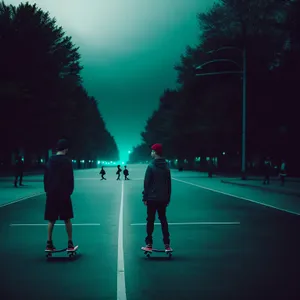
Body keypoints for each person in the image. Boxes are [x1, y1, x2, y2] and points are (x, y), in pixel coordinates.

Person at [44, 139, 75, 251]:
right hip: (63, 193)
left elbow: (46, 177)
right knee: (67, 219)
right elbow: (70, 178)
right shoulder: (67, 161)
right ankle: (70, 242)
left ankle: (49, 243)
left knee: (51, 219)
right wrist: (69, 191)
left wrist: (47, 190)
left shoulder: (50, 160)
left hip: (52, 193)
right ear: (66, 149)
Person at [142, 143, 172, 252]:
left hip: (152, 198)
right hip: (163, 198)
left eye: (152, 151)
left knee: (150, 220)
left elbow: (147, 183)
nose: (151, 153)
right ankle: (167, 244)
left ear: (155, 152)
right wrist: (168, 197)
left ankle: (149, 244)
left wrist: (145, 197)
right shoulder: (166, 167)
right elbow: (169, 184)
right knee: (163, 219)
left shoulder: (151, 166)